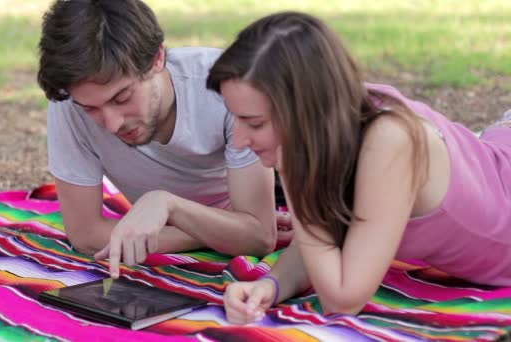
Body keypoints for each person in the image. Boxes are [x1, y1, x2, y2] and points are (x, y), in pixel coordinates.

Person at [206, 11, 511, 323]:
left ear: (303, 110)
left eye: (253, 123)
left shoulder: (389, 141)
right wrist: (269, 285)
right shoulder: (337, 117)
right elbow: (319, 242)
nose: (240, 140)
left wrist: (294, 178)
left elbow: (341, 299)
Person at [36, 0, 282, 278]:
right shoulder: (71, 104)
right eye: (91, 108)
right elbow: (86, 236)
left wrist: (167, 207)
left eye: (122, 97)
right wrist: (205, 228)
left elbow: (259, 237)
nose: (112, 123)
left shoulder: (226, 88)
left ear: (157, 58)